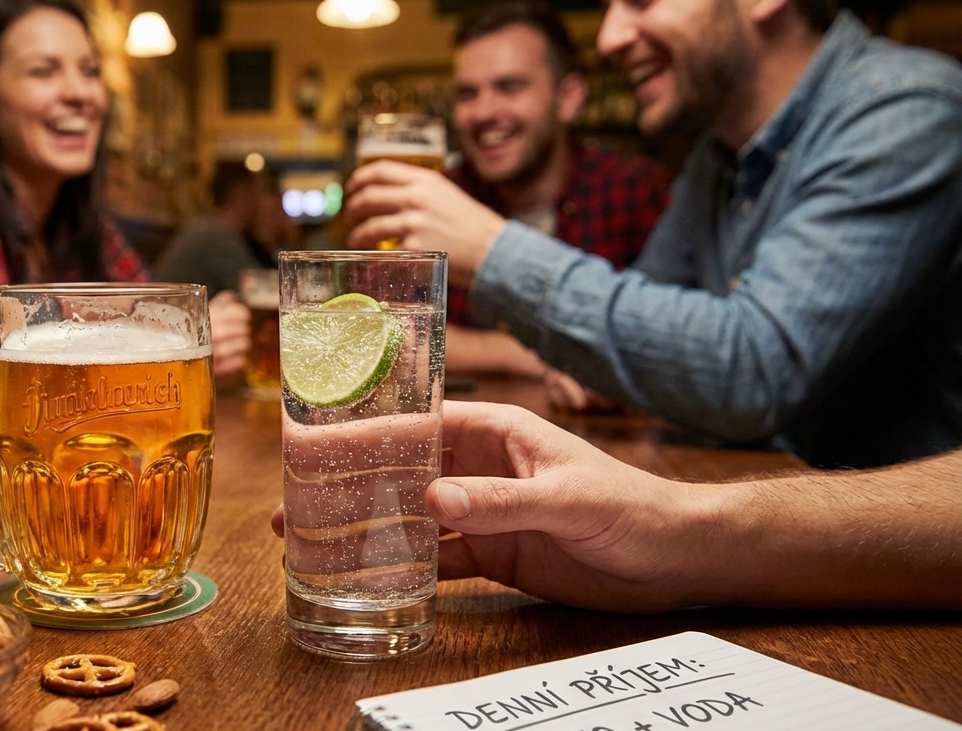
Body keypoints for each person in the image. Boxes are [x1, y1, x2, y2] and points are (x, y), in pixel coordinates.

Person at [345, 0, 962, 469]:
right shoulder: (717, 160)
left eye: (641, 1)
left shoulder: (907, 111)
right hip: (787, 529)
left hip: (906, 600)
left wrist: (493, 250)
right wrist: (608, 359)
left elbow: (753, 371)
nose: (610, 37)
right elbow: (647, 323)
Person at [272, 401, 962, 612]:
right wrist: (687, 544)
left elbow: (747, 373)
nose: (609, 43)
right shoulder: (704, 177)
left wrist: (683, 528)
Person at [0, 0, 248, 375]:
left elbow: (157, 313)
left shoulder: (77, 217)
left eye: (90, 71)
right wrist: (167, 341)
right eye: (43, 71)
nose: (80, 93)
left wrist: (196, 336)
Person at [441, 0, 672, 378]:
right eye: (467, 94)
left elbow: (670, 343)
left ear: (569, 98)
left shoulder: (634, 190)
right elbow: (390, 337)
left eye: (509, 87)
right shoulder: (443, 198)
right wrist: (522, 355)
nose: (483, 113)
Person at [152, 163, 268, 295]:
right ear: (241, 193)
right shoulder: (215, 234)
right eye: (257, 192)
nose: (260, 201)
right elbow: (257, 291)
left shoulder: (206, 225)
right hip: (175, 312)